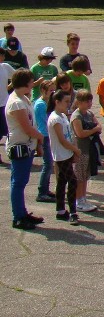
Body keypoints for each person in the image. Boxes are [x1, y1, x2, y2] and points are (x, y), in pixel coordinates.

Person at [6, 69, 44, 230]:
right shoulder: (16, 102)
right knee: (18, 182)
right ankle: (18, 217)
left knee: (22, 181)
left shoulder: (23, 99)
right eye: (31, 81)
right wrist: (40, 137)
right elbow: (26, 127)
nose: (32, 83)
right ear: (25, 82)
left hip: (27, 145)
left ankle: (22, 212)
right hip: (20, 145)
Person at [47, 90, 81, 225]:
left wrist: (73, 151)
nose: (69, 104)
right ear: (57, 102)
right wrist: (76, 150)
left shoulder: (62, 115)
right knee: (72, 181)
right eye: (66, 102)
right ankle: (73, 211)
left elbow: (69, 135)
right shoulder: (55, 118)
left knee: (62, 182)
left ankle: (60, 210)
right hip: (60, 155)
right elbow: (62, 140)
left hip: (67, 153)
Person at [70, 89, 101, 212]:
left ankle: (83, 198)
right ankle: (78, 200)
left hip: (90, 149)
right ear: (79, 102)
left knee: (86, 175)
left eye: (90, 101)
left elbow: (99, 126)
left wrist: (94, 129)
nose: (89, 103)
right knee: (79, 176)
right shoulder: (76, 116)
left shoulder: (89, 113)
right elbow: (80, 133)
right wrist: (93, 130)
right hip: (80, 150)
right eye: (86, 101)